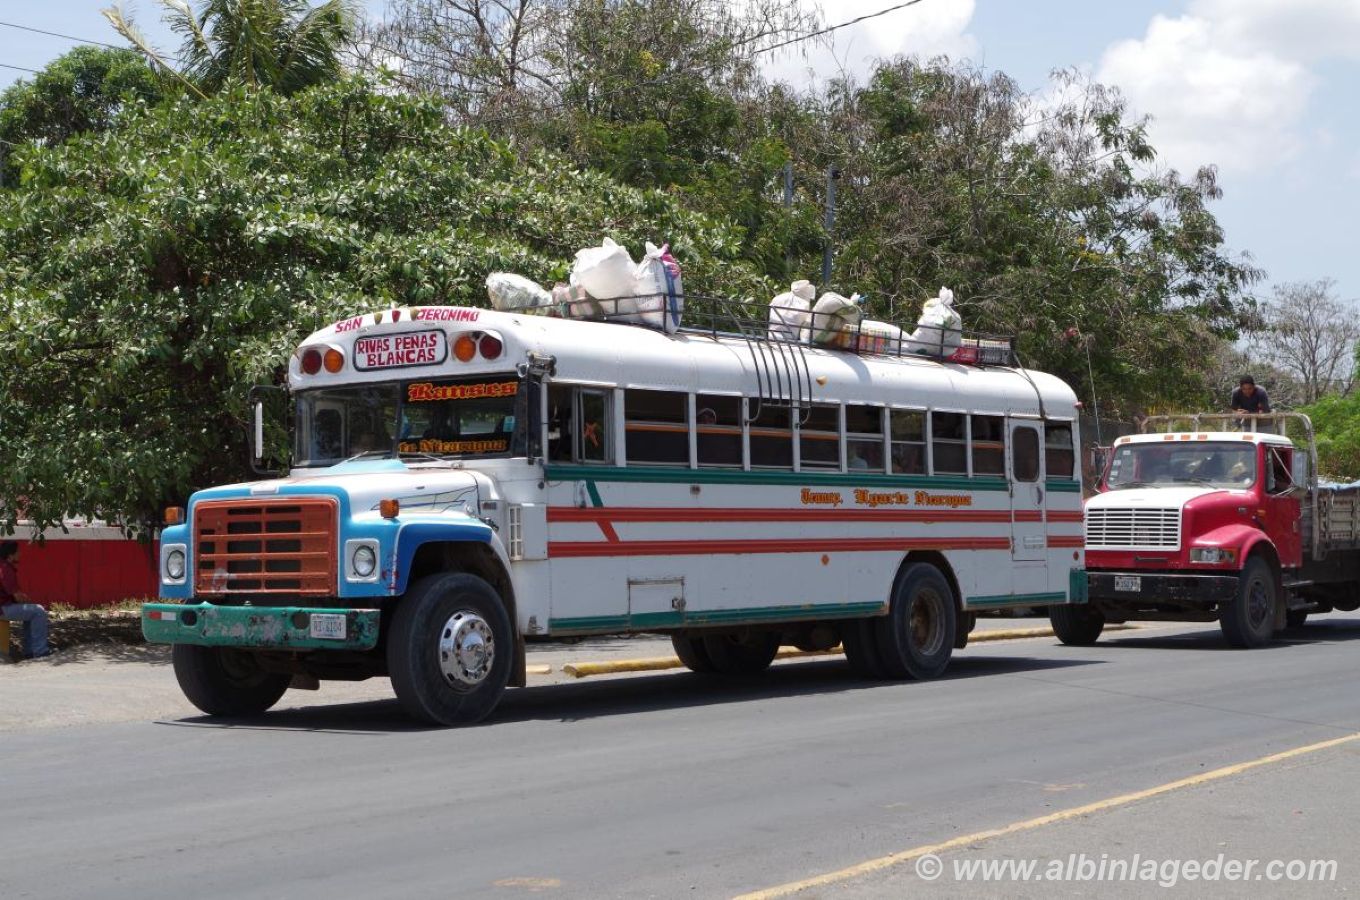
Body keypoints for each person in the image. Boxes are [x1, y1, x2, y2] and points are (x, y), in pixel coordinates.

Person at [0, 540, 52, 660]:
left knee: (32, 612)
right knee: (39, 611)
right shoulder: (5, 569)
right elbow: (17, 596)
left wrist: (27, 603)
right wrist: (28, 602)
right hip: (3, 609)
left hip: (3, 606)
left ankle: (30, 651)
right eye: (18, 552)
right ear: (10, 555)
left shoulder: (3, 565)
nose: (20, 554)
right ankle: (41, 652)